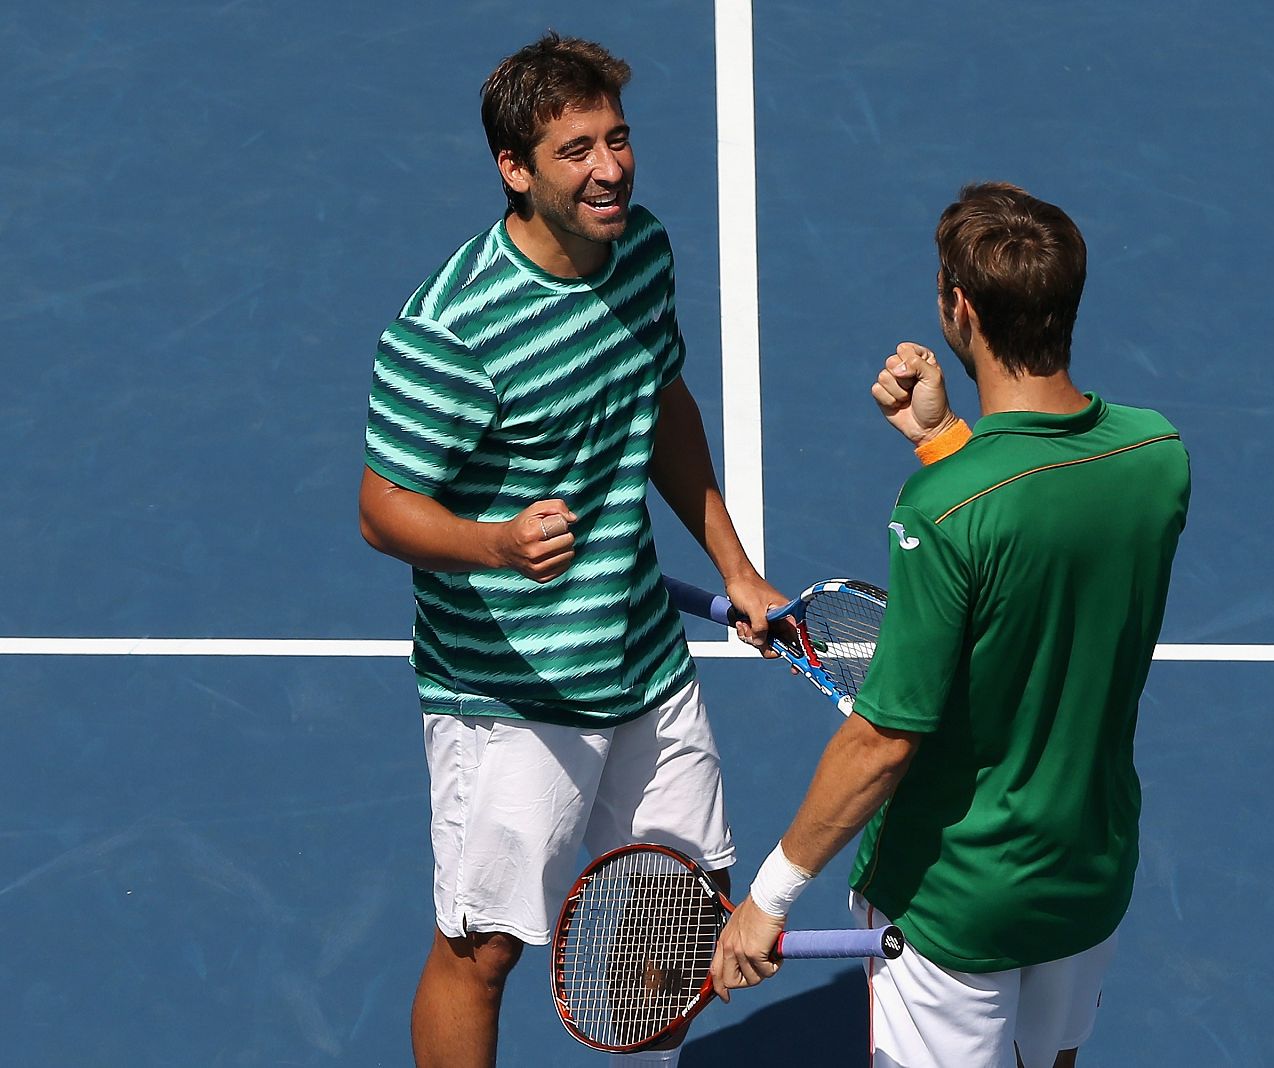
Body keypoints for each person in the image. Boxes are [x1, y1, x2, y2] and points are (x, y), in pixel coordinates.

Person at [358, 33, 783, 1068]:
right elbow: (382, 508)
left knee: (677, 920)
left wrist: (733, 565)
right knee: (481, 951)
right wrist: (493, 543)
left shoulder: (640, 250)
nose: (609, 170)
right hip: (510, 693)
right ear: (516, 170)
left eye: (618, 139)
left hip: (639, 656)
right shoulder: (452, 327)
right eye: (576, 150)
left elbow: (662, 399)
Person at [711, 182, 1190, 1067]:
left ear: (958, 309)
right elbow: (1044, 531)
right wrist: (946, 442)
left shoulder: (944, 510)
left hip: (954, 894)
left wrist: (767, 898)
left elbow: (884, 742)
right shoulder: (1157, 456)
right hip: (1085, 871)